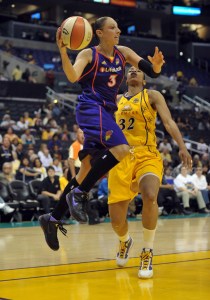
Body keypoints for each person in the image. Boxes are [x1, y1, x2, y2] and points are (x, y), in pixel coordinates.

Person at [39, 16, 165, 251]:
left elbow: (151, 72)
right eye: (112, 27)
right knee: (122, 149)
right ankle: (80, 194)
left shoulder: (124, 52)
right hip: (91, 109)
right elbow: (72, 77)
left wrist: (156, 66)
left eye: (118, 27)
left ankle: (53, 219)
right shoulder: (88, 54)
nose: (118, 30)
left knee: (86, 168)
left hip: (107, 113)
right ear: (98, 32)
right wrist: (63, 52)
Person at [107, 67, 192, 279]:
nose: (134, 71)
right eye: (130, 70)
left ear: (144, 79)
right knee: (117, 221)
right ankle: (125, 241)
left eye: (138, 70)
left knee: (150, 195)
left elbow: (169, 122)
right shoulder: (115, 99)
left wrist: (182, 146)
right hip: (121, 158)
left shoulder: (152, 96)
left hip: (147, 155)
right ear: (125, 79)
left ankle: (147, 251)